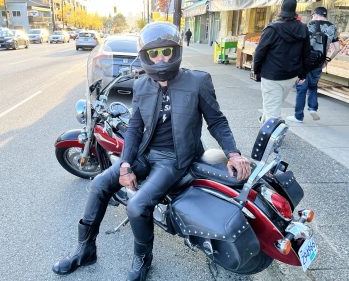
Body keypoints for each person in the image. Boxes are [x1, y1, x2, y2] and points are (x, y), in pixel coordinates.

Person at [51, 22, 251, 281]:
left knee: (137, 205)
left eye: (166, 51)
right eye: (154, 53)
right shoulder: (142, 85)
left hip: (176, 159)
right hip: (146, 152)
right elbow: (134, 127)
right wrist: (125, 165)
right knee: (99, 183)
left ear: (176, 51)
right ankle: (85, 249)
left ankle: (143, 260)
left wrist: (233, 153)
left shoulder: (198, 81)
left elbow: (217, 121)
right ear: (145, 55)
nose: (160, 58)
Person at [253, 0, 311, 124]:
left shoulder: (272, 29)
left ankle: (272, 140)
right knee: (273, 105)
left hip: (272, 76)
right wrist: (303, 74)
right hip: (291, 75)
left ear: (281, 9)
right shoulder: (303, 28)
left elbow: (259, 52)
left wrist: (256, 70)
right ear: (295, 10)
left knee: (273, 113)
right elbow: (306, 53)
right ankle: (265, 124)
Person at [286, 6, 340, 123]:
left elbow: (299, 45)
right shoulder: (332, 27)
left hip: (305, 61)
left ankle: (298, 116)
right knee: (313, 85)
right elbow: (337, 48)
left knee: (301, 88)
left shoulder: (308, 25)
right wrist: (327, 60)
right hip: (319, 61)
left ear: (315, 14)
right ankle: (312, 108)